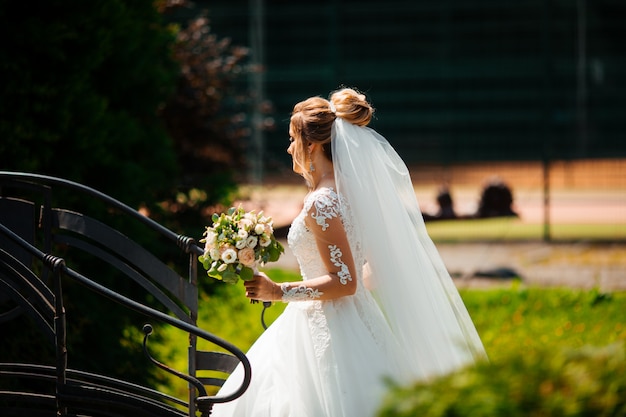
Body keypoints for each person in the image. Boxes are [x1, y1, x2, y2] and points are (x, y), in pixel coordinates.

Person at [212, 88, 486, 417]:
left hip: (328, 328)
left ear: (311, 145)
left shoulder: (321, 202)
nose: (288, 148)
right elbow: (372, 271)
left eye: (292, 139)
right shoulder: (350, 196)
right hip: (357, 320)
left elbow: (344, 282)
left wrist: (278, 291)